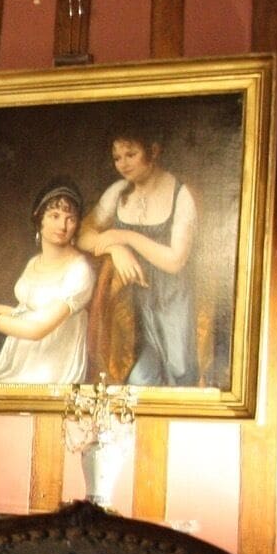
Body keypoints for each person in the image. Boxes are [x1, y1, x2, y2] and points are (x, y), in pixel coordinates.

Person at [78, 131, 197, 386]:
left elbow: (175, 261)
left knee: (178, 373)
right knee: (135, 379)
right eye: (117, 157)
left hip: (171, 301)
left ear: (153, 151)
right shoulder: (118, 191)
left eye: (131, 154)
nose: (123, 163)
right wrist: (115, 249)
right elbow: (83, 235)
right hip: (130, 305)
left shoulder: (180, 194)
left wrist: (125, 236)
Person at [0, 183, 95, 386]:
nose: (63, 226)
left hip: (50, 367)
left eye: (70, 219)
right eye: (54, 216)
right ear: (39, 218)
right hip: (21, 358)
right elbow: (27, 313)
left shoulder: (79, 270)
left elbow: (37, 329)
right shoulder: (34, 262)